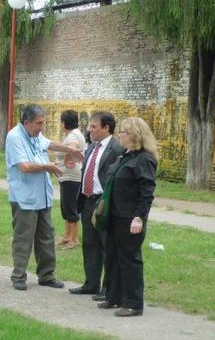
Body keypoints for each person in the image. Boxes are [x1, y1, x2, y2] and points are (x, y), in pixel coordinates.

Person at [6, 104, 84, 291]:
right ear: (27, 122)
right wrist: (48, 167)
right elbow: (24, 166)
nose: (41, 127)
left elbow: (48, 143)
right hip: (24, 197)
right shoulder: (14, 136)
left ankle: (47, 275)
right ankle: (18, 276)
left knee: (46, 236)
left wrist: (70, 150)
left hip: (43, 196)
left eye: (43, 123)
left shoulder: (36, 135)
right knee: (23, 237)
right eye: (39, 123)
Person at [97, 117, 158, 317]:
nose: (119, 135)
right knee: (113, 257)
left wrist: (139, 217)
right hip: (115, 215)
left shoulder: (145, 159)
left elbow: (147, 192)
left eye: (123, 132)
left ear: (134, 135)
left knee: (129, 259)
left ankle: (133, 303)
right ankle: (114, 296)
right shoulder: (126, 155)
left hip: (130, 218)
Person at [69, 111, 123, 297]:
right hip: (88, 201)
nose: (89, 130)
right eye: (90, 126)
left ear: (106, 128)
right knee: (90, 245)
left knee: (106, 245)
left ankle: (107, 288)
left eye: (94, 127)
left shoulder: (116, 148)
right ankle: (90, 284)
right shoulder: (92, 146)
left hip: (104, 202)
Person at [55, 110, 86, 249]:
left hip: (71, 177)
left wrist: (68, 158)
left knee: (70, 207)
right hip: (67, 176)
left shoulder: (73, 135)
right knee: (65, 206)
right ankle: (67, 236)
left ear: (63, 123)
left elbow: (73, 148)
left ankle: (74, 239)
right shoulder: (74, 133)